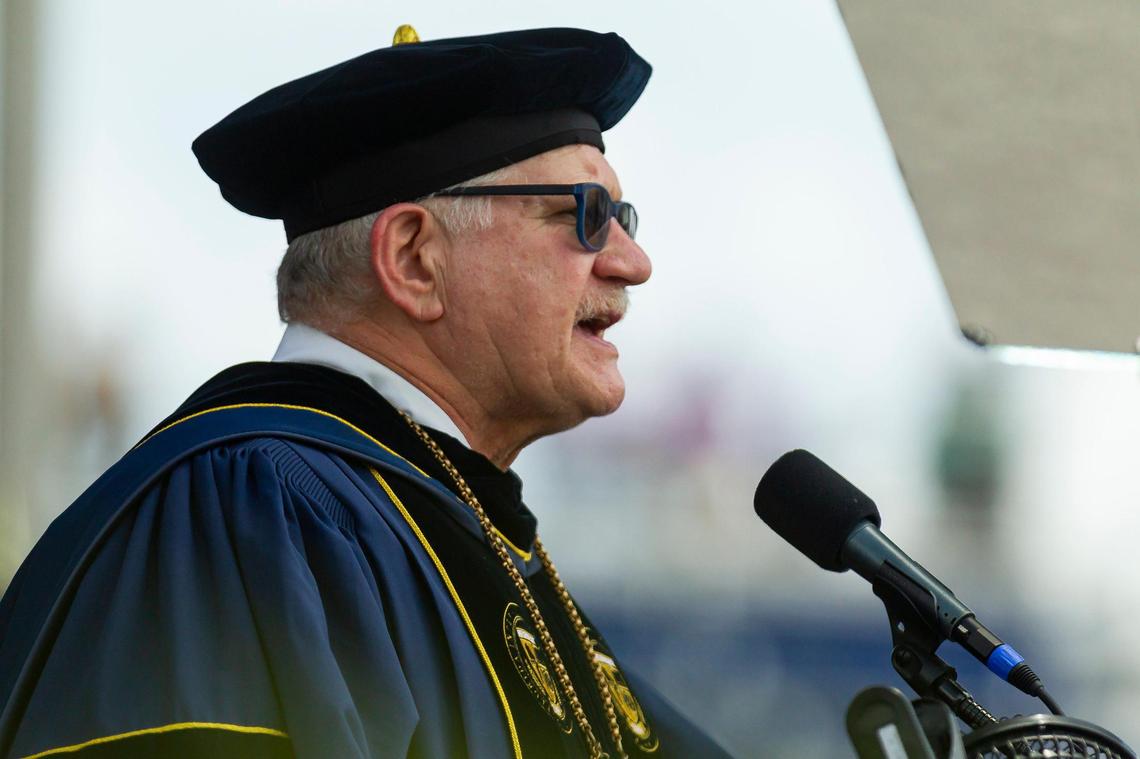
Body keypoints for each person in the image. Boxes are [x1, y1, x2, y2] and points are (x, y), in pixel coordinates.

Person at [0, 26, 732, 759]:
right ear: (415, 259)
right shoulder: (248, 515)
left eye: (623, 220)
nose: (633, 264)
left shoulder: (481, 529)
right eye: (587, 216)